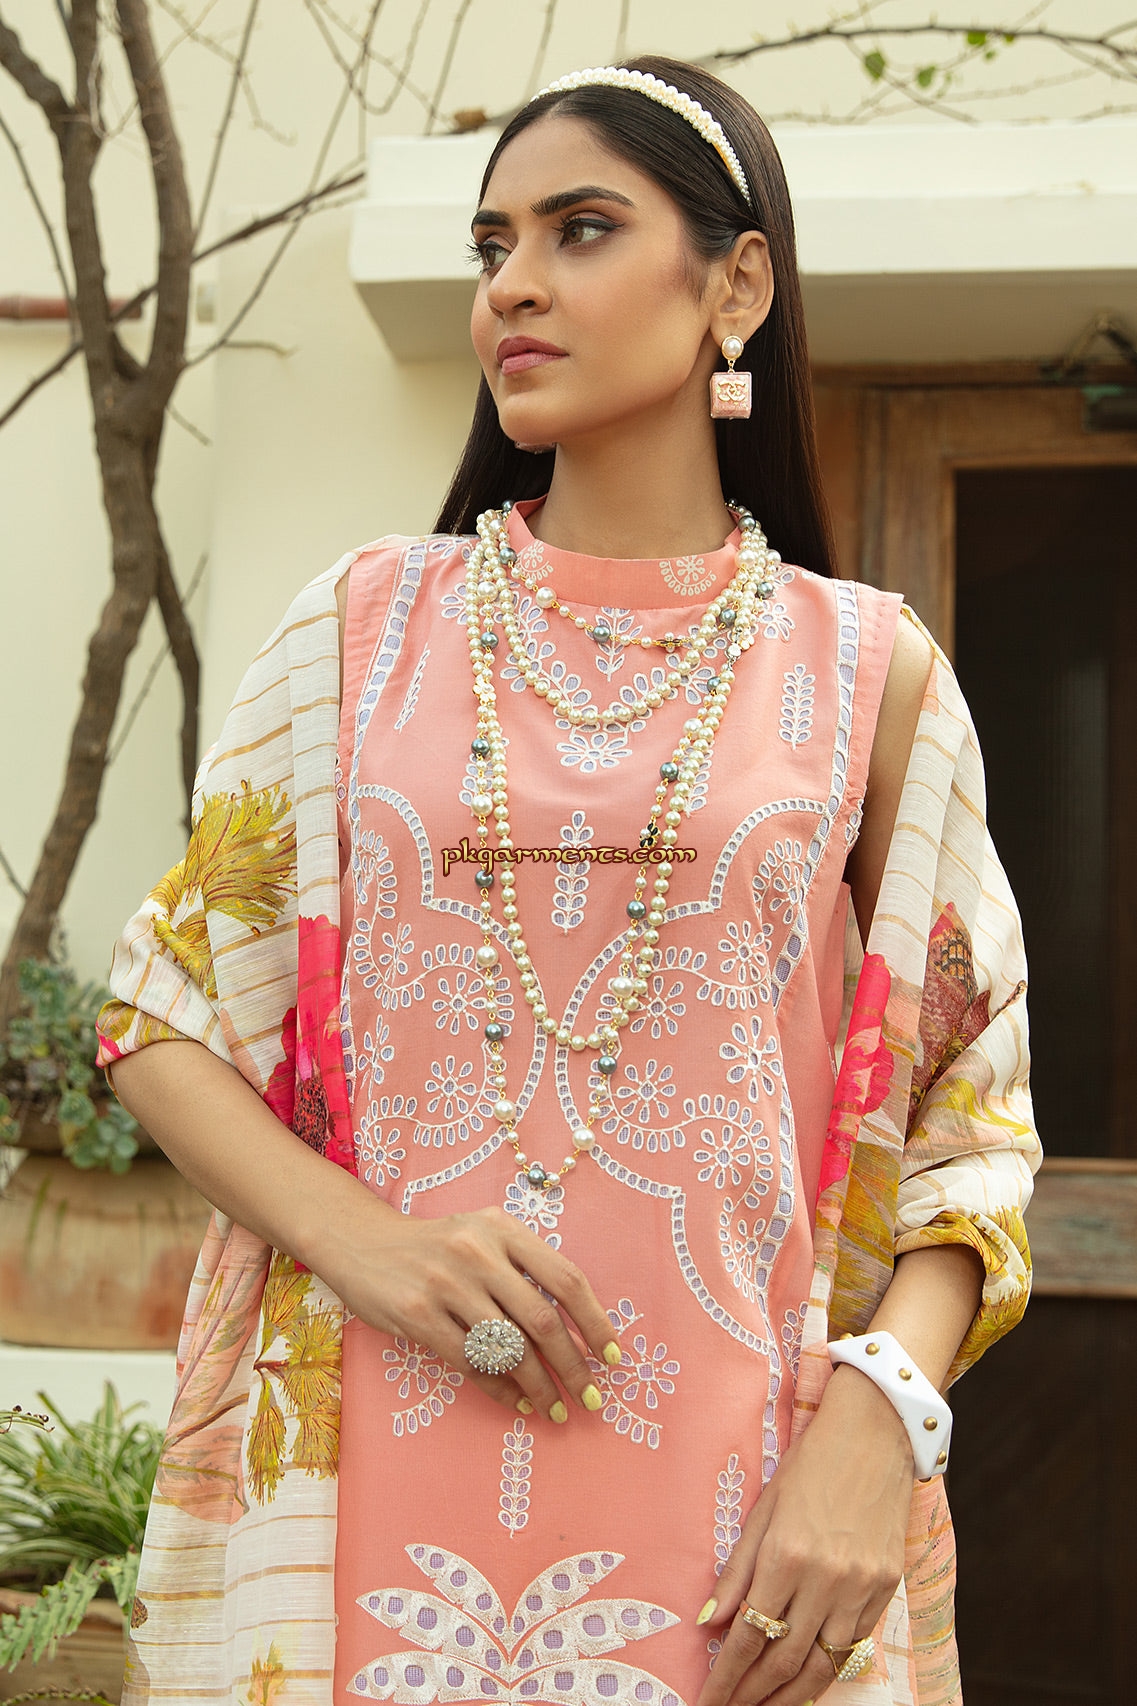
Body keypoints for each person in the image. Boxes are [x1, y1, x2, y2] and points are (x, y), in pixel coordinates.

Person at [98, 56, 1039, 1706]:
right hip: (363, 1482)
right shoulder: (358, 632)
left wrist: (874, 1422)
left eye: (579, 229)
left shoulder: (864, 674)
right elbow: (163, 1011)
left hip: (742, 1512)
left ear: (735, 285)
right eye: (491, 245)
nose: (513, 285)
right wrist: (368, 1243)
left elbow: (972, 1118)